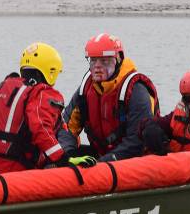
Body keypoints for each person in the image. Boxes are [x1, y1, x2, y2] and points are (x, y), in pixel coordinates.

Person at [0, 42, 91, 175]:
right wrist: (63, 159)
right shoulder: (42, 94)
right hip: (11, 170)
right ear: (50, 71)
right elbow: (40, 128)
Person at [57, 32, 160, 162]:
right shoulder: (86, 89)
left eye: (104, 61)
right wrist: (68, 155)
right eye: (93, 61)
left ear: (118, 60)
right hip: (103, 154)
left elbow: (136, 141)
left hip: (135, 158)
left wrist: (104, 162)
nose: (97, 67)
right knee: (56, 155)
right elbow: (67, 128)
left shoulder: (136, 90)